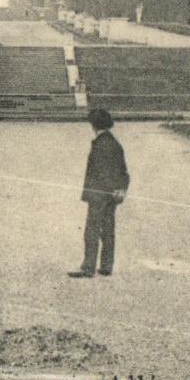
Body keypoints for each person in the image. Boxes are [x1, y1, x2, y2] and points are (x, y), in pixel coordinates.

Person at [70, 108, 129, 279]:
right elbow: (123, 172)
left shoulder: (100, 145)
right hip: (112, 195)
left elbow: (99, 172)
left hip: (99, 194)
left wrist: (99, 191)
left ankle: (88, 268)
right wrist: (120, 189)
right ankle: (106, 266)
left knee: (92, 230)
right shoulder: (115, 144)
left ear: (94, 125)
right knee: (108, 229)